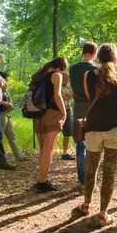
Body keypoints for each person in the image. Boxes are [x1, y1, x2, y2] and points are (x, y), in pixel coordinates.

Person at [75, 44, 117, 226]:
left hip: (93, 128)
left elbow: (89, 97)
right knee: (109, 170)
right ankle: (103, 213)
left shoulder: (87, 75)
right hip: (114, 129)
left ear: (98, 57)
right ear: (115, 58)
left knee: (91, 168)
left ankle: (85, 204)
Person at [31, 58, 67, 192]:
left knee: (42, 149)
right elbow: (58, 96)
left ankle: (42, 179)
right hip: (52, 114)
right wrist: (64, 113)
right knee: (48, 150)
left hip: (38, 115)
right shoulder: (56, 75)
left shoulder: (38, 76)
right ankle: (42, 182)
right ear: (60, 68)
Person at [69, 42, 98, 186]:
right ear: (94, 52)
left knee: (80, 144)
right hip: (92, 108)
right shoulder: (95, 69)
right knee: (93, 145)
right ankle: (90, 180)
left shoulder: (72, 68)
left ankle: (82, 180)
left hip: (77, 107)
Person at [0, 71, 24, 162]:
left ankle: (19, 155)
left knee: (11, 135)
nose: (6, 81)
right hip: (1, 114)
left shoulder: (5, 90)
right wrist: (8, 104)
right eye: (5, 79)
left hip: (7, 114)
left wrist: (9, 105)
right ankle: (0, 158)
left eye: (7, 79)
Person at [60, 72, 75, 161]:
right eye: (64, 79)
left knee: (67, 132)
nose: (66, 81)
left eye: (67, 79)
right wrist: (63, 96)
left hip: (68, 110)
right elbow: (59, 96)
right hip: (58, 111)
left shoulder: (68, 87)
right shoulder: (58, 86)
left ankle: (65, 153)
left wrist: (69, 95)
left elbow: (71, 95)